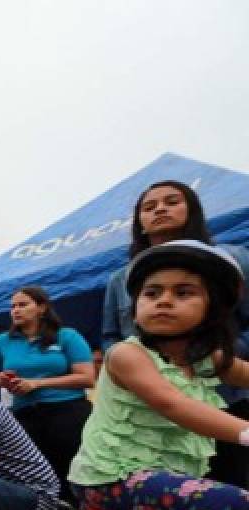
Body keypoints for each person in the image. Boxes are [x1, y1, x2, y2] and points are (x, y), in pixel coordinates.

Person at [70, 240, 249, 510]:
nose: (164, 301)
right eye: (152, 293)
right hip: (110, 479)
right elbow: (173, 404)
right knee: (234, 505)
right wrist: (244, 431)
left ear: (214, 308)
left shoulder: (209, 358)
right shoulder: (126, 355)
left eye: (183, 292)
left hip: (160, 486)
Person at [101, 181, 249, 493]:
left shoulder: (233, 260)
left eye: (171, 201)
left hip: (225, 400)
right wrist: (135, 368)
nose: (160, 210)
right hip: (147, 418)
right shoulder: (120, 278)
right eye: (149, 206)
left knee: (231, 490)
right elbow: (111, 335)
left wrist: (215, 352)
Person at [0, 287, 94, 510]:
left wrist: (38, 383)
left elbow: (86, 377)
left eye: (23, 304)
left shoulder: (67, 337)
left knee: (64, 477)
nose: (16, 310)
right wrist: (1, 380)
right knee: (18, 476)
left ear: (42, 307)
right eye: (13, 306)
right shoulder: (4, 341)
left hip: (66, 412)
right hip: (24, 415)